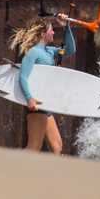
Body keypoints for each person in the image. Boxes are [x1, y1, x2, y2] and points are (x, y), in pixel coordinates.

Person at [8, 15, 76, 153]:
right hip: (35, 103)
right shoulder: (33, 52)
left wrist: (66, 27)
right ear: (43, 34)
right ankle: (9, 170)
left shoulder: (49, 52)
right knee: (34, 146)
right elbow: (23, 77)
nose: (53, 33)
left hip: (44, 103)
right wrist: (29, 98)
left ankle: (46, 174)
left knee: (57, 147)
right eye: (51, 30)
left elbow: (70, 49)